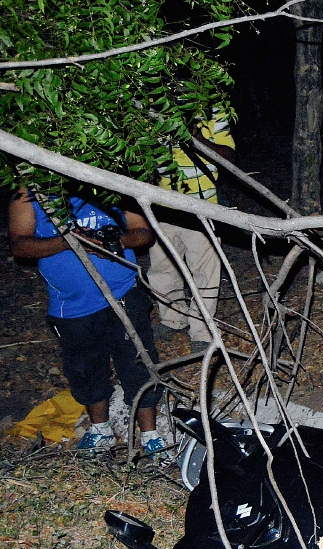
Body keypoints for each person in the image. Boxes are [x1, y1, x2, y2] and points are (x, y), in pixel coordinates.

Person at [8, 189, 167, 456]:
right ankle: (101, 430)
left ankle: (151, 436)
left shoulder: (107, 177)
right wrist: (68, 241)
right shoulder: (30, 191)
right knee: (85, 369)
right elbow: (20, 245)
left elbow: (143, 232)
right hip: (70, 305)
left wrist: (116, 242)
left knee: (138, 362)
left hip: (123, 294)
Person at [147, 110, 235, 355]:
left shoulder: (214, 113)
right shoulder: (151, 111)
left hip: (202, 207)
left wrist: (195, 137)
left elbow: (229, 158)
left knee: (205, 273)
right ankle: (172, 319)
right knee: (161, 269)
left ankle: (202, 332)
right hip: (160, 205)